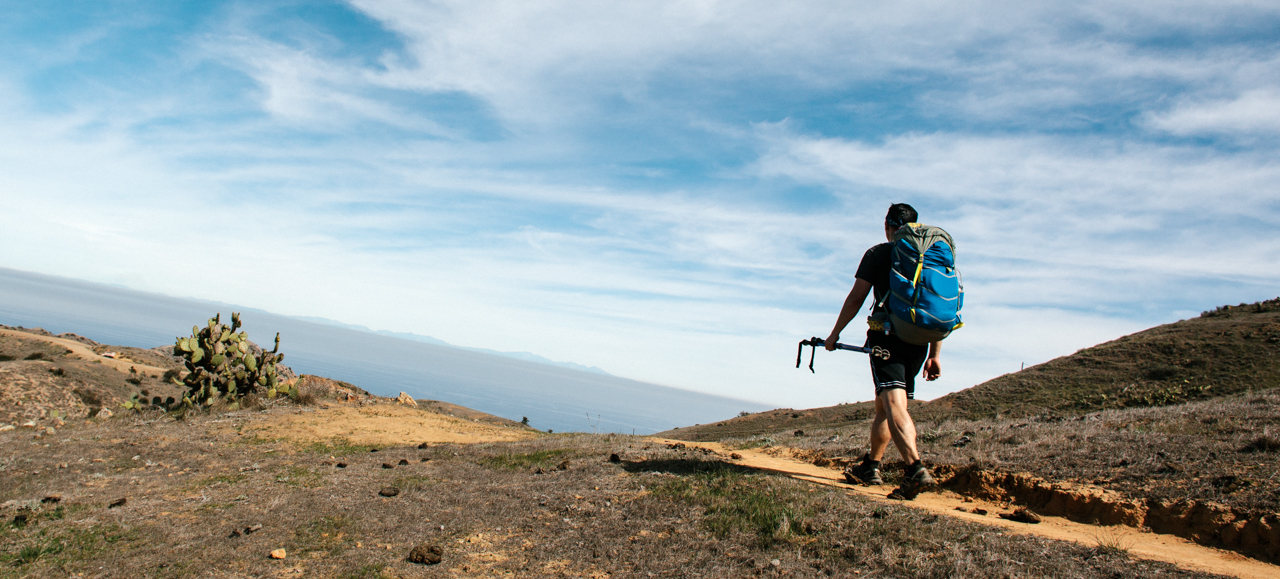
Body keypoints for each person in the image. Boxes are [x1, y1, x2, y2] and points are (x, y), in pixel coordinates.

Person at [825, 203, 940, 499]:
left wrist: (835, 333)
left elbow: (856, 299)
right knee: (883, 405)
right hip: (919, 341)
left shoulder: (878, 254)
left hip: (887, 339)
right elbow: (937, 312)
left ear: (888, 225)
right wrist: (934, 355)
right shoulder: (929, 259)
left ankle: (915, 469)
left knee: (893, 406)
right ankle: (871, 466)